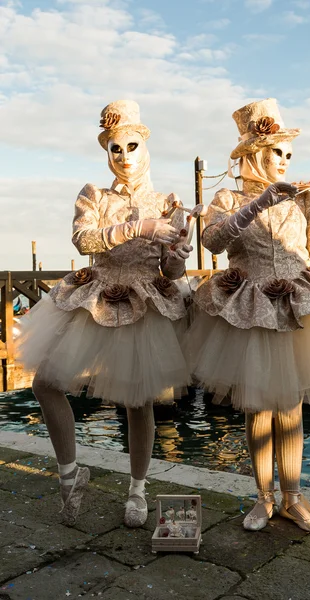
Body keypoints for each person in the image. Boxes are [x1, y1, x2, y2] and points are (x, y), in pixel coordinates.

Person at [187, 98, 310, 533]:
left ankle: (293, 499)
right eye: (278, 151)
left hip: (295, 302)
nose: (285, 161)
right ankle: (263, 499)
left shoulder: (303, 199)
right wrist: (259, 203)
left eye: (289, 154)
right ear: (255, 152)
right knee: (258, 407)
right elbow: (215, 241)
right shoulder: (227, 197)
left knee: (290, 407)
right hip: (249, 306)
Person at [17, 99, 192, 527]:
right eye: (115, 148)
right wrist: (138, 227)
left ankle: (137, 489)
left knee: (138, 400)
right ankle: (70, 473)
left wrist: (179, 254)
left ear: (144, 146)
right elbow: (84, 240)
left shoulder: (167, 201)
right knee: (45, 383)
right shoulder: (92, 194)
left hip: (145, 299)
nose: (124, 156)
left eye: (131, 146)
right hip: (97, 293)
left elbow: (170, 267)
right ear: (106, 152)